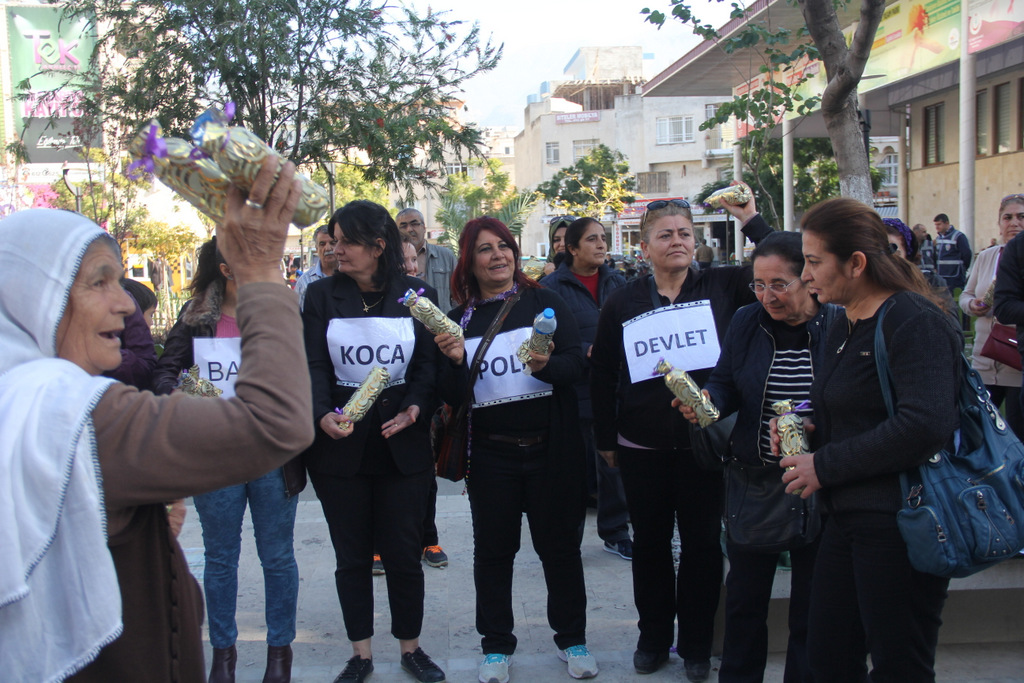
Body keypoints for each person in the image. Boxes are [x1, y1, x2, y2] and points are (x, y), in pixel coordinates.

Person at [0, 158, 313, 682]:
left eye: (120, 280)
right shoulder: (77, 416)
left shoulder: (18, 400)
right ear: (35, 299)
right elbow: (277, 422)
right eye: (99, 282)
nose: (126, 304)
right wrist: (261, 270)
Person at [589, 194, 773, 682]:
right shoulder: (622, 301)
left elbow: (784, 257)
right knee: (649, 546)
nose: (677, 241)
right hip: (640, 446)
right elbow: (603, 372)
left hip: (705, 447)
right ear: (644, 246)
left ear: (696, 241)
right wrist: (606, 437)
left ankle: (695, 645)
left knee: (702, 546)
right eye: (665, 234)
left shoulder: (724, 286)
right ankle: (652, 639)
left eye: (685, 233)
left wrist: (750, 219)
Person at [781, 197, 960, 682]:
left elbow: (925, 424)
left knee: (899, 665)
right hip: (845, 520)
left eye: (814, 261)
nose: (805, 275)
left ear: (856, 263)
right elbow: (855, 409)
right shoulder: (843, 319)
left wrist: (824, 465)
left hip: (903, 521)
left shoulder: (914, 320)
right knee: (828, 658)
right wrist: (809, 431)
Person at [433, 217, 596, 683]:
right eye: (485, 249)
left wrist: (545, 367)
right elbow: (451, 395)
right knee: (493, 553)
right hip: (491, 456)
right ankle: (496, 646)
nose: (497, 256)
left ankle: (572, 639)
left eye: (503, 246)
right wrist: (454, 361)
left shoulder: (545, 301)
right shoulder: (460, 319)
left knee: (560, 550)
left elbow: (575, 365)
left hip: (551, 451)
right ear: (469, 261)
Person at [678, 232, 834, 683]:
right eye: (759, 285)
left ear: (808, 279)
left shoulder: (838, 324)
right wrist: (708, 400)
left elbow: (854, 402)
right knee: (745, 602)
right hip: (755, 481)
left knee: (813, 607)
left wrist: (816, 427)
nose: (768, 296)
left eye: (779, 284)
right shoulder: (748, 320)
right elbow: (726, 381)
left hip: (821, 484)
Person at [302, 200, 445, 683]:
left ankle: (411, 648)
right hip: (339, 450)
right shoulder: (321, 296)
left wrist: (416, 407)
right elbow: (313, 364)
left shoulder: (417, 295)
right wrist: (321, 413)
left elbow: (427, 366)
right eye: (333, 241)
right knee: (352, 558)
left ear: (378, 245)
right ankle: (360, 654)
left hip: (402, 448)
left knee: (404, 555)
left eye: (346, 242)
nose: (335, 250)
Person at [152, 236, 305, 683]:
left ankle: (280, 655)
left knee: (277, 557)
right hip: (215, 456)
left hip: (272, 455)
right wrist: (181, 396)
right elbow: (165, 371)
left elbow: (303, 374)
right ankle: (223, 655)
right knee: (220, 559)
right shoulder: (196, 317)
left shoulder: (278, 316)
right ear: (226, 269)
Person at [539, 217, 632, 560]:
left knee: (613, 464)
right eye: (592, 239)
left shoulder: (618, 282)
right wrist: (584, 350)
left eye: (603, 238)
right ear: (572, 248)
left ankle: (616, 532)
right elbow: (541, 339)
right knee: (573, 471)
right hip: (573, 391)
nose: (601, 244)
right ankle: (568, 539)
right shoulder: (550, 288)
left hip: (612, 390)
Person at [395, 207, 450, 569]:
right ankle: (381, 545)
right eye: (405, 262)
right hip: (384, 399)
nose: (412, 267)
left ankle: (428, 538)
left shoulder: (426, 293)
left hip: (424, 397)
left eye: (415, 260)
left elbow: (431, 355)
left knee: (424, 473)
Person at [960, 195, 1024, 439]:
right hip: (985, 358)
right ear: (999, 224)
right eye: (1007, 217)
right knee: (981, 434)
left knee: (1016, 433)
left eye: (1021, 217)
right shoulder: (987, 257)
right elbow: (965, 295)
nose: (1014, 223)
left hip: (1015, 359)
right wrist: (971, 304)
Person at [883, 218, 955, 314]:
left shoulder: (931, 283)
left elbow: (950, 321)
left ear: (906, 255)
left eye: (892, 251)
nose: (884, 260)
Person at [296, 221, 338, 309]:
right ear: (316, 248)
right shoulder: (304, 282)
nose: (328, 248)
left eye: (332, 243)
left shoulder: (352, 276)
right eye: (322, 244)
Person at [933, 212, 972, 293]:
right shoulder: (938, 238)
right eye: (935, 225)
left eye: (939, 224)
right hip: (941, 276)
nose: (937, 227)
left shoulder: (958, 236)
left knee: (955, 297)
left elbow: (967, 254)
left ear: (946, 223)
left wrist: (963, 268)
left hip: (955, 276)